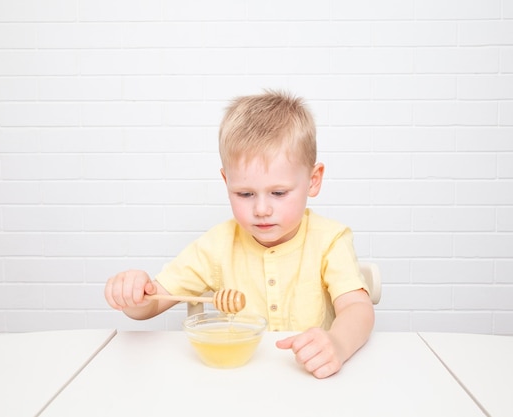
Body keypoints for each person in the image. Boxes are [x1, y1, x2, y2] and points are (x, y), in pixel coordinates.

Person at [105, 90, 375, 378]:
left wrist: (338, 343)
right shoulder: (217, 244)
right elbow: (153, 303)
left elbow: (358, 309)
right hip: (236, 378)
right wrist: (135, 296)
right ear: (226, 181)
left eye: (279, 193)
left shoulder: (329, 240)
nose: (261, 209)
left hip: (308, 377)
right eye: (245, 193)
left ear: (313, 180)